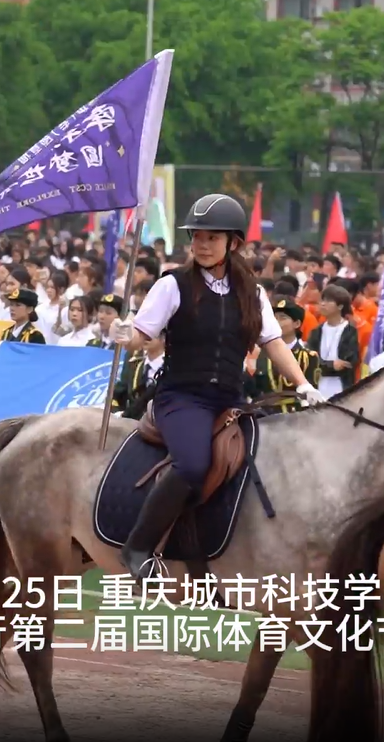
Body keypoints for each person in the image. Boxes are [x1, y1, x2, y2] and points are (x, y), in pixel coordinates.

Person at [109, 193, 325, 581]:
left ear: (234, 243)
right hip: (182, 396)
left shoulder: (253, 293)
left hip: (231, 398)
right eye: (197, 237)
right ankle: (138, 545)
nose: (202, 245)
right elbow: (142, 334)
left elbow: (272, 343)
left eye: (212, 237)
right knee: (193, 464)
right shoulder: (172, 285)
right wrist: (125, 335)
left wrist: (303, 383)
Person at [246, 298, 319, 413]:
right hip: (266, 415)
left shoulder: (307, 356)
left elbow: (310, 395)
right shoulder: (264, 353)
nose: (277, 322)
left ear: (297, 323)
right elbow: (256, 388)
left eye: (283, 318)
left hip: (295, 416)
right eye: (275, 318)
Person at [307, 284, 360, 398]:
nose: (323, 304)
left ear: (340, 306)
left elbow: (348, 363)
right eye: (322, 300)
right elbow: (310, 360)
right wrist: (331, 365)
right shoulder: (316, 331)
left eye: (328, 301)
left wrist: (322, 365)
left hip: (341, 386)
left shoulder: (349, 331)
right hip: (318, 385)